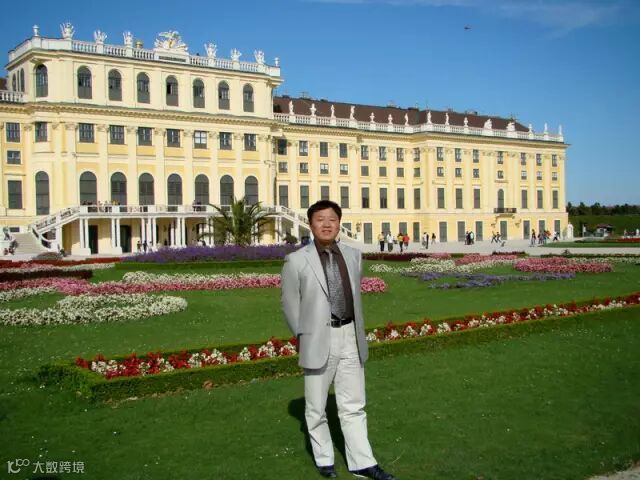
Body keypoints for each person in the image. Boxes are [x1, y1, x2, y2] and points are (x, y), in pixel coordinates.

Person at [281, 200, 397, 480]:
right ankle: (325, 460)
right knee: (316, 406)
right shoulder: (296, 260)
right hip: (318, 338)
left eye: (332, 219)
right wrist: (303, 336)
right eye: (320, 219)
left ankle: (362, 463)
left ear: (338, 223)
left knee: (354, 404)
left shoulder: (354, 256)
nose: (326, 224)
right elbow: (289, 304)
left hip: (350, 335)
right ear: (311, 224)